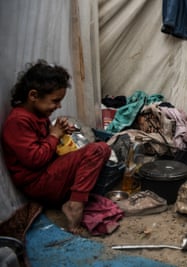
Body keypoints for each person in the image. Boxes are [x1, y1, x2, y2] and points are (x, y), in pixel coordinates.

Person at [1, 59, 111, 234]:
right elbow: (35, 159)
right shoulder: (18, 121)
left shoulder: (37, 114)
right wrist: (54, 135)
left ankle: (73, 198)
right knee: (97, 150)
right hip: (38, 183)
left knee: (103, 149)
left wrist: (59, 132)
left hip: (48, 174)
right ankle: (75, 204)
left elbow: (43, 143)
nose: (58, 106)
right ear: (33, 95)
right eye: (55, 101)